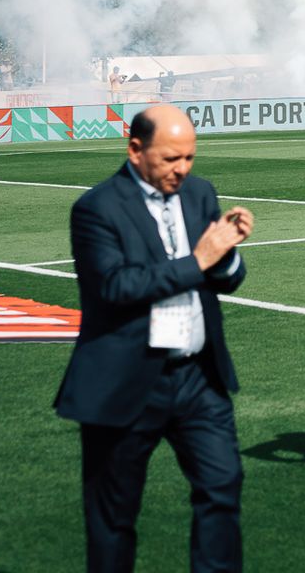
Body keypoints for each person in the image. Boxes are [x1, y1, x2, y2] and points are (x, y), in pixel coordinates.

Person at [54, 105, 255, 573]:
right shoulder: (96, 208)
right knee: (114, 516)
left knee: (222, 487)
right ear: (135, 150)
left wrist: (226, 256)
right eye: (170, 159)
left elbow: (224, 277)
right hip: (125, 382)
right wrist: (200, 259)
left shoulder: (200, 192)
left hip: (198, 378)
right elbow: (115, 287)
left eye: (188, 157)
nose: (181, 169)